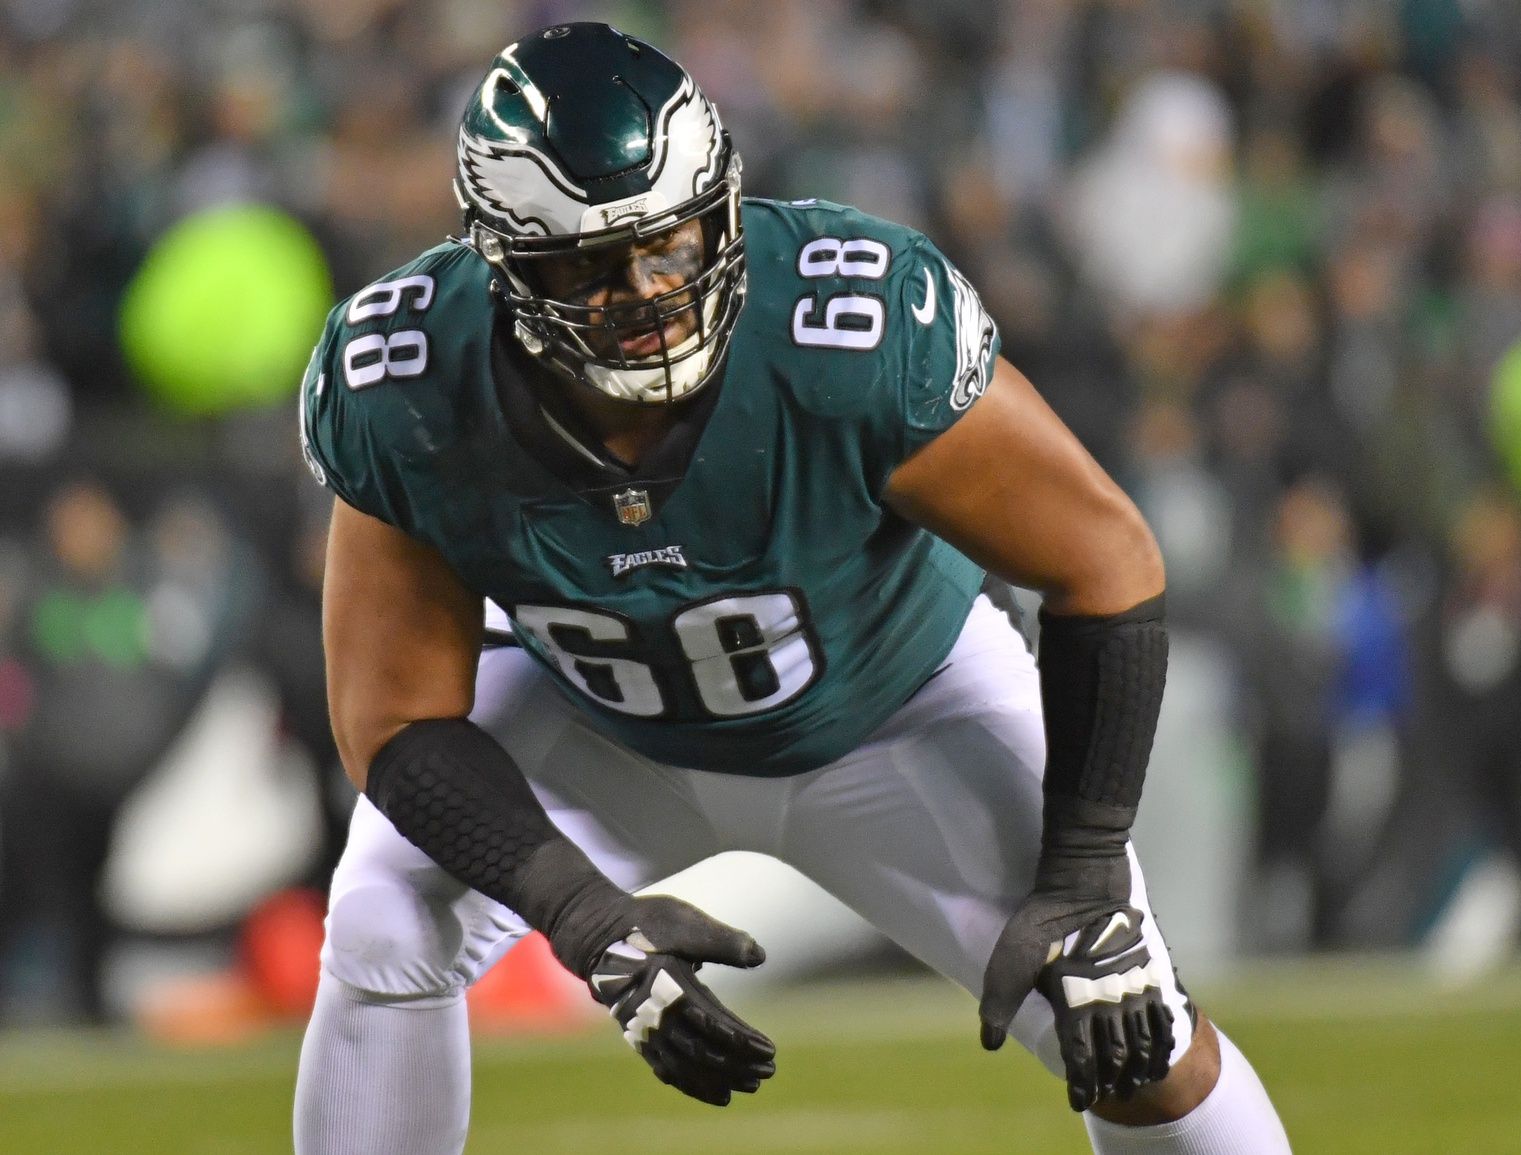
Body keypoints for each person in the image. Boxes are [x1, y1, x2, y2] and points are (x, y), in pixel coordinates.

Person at [292, 22, 1290, 1155]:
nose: (646, 292)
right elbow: (394, 720)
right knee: (382, 919)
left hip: (892, 707)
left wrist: (1085, 874)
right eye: (590, 267)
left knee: (1129, 1029)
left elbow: (1105, 559)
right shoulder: (409, 385)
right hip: (603, 724)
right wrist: (583, 920)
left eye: (670, 245)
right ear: (504, 264)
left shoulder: (845, 330)